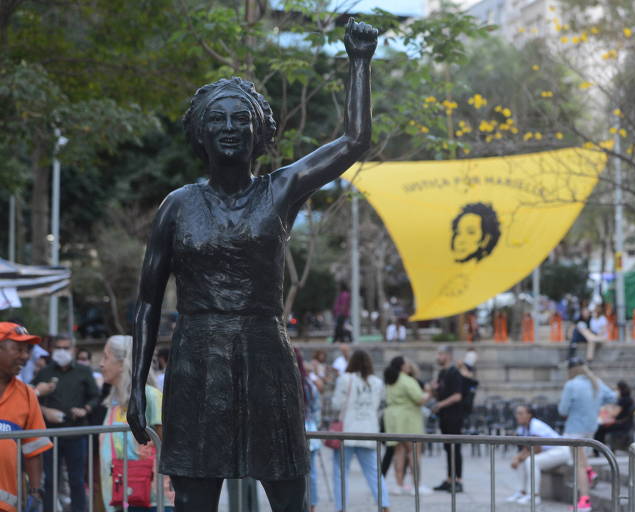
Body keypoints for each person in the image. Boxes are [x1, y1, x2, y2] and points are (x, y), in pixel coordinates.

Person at [126, 19, 378, 512]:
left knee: (287, 494)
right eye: (217, 119)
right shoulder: (177, 206)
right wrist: (136, 385)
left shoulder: (280, 189)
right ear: (200, 131)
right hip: (198, 359)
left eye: (240, 119)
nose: (229, 128)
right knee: (195, 496)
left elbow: (354, 141)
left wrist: (360, 62)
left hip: (265, 355)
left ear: (259, 131)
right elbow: (147, 304)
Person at [98, 335, 172, 512]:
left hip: (152, 500)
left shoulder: (150, 396)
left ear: (123, 362)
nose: (101, 364)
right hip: (121, 498)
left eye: (106, 357)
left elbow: (168, 444)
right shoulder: (113, 403)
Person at [32, 335, 100, 512]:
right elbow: (30, 398)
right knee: (50, 480)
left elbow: (95, 396)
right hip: (50, 435)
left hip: (76, 432)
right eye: (58, 348)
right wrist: (45, 411)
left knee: (76, 479)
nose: (62, 351)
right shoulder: (45, 372)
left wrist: (85, 409)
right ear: (53, 350)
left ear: (74, 350)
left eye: (66, 347)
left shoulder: (83, 372)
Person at [0, 322, 52, 512]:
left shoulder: (27, 394)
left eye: (26, 350)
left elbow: (34, 448)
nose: (25, 356)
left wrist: (36, 493)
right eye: (18, 349)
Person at [331, 350, 389, 512]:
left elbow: (337, 404)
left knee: (340, 473)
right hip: (368, 431)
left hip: (347, 431)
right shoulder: (377, 382)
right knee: (374, 473)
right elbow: (380, 406)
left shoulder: (345, 379)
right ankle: (384, 505)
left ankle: (341, 507)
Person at [558, 357, 616, 512]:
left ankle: (584, 500)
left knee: (578, 465)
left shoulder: (571, 385)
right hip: (591, 427)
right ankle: (590, 472)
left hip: (574, 428)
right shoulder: (595, 381)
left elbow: (562, 410)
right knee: (582, 460)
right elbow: (612, 397)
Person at [383, 356, 431, 495]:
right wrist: (428, 393)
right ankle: (416, 486)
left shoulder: (391, 380)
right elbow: (419, 399)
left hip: (393, 419)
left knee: (399, 453)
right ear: (402, 366)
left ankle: (399, 485)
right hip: (408, 418)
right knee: (414, 452)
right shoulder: (407, 380)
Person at [505, 405, 570, 506]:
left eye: (521, 413)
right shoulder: (522, 428)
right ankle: (521, 492)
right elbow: (525, 448)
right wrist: (517, 458)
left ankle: (534, 496)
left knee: (530, 461)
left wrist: (518, 457)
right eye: (517, 413)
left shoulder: (536, 425)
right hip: (548, 452)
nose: (517, 416)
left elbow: (537, 448)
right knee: (522, 461)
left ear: (529, 415)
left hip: (560, 451)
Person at [431, 345, 465, 493]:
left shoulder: (454, 373)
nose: (438, 357)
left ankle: (458, 480)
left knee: (455, 448)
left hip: (454, 416)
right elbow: (439, 394)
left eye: (441, 354)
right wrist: (433, 389)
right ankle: (449, 478)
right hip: (444, 416)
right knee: (447, 448)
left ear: (449, 356)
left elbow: (458, 396)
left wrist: (440, 404)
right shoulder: (442, 373)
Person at [294, 349, 321, 512]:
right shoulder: (309, 384)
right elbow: (316, 408)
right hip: (310, 428)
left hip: (297, 431)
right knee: (311, 473)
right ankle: (312, 505)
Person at [594, 381, 635, 449]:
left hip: (622, 424)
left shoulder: (623, 400)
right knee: (601, 427)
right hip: (626, 423)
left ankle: (598, 449)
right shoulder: (628, 398)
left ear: (619, 390)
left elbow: (614, 413)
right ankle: (600, 446)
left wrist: (608, 408)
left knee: (600, 428)